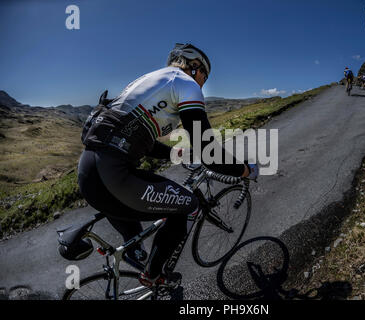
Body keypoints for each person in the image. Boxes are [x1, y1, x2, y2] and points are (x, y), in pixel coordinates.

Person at [77, 43, 259, 288]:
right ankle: (152, 277)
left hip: (90, 171)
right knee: (188, 206)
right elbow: (210, 154)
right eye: (205, 76)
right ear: (195, 68)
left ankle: (137, 255)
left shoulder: (150, 80)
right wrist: (245, 170)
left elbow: (133, 138)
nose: (203, 83)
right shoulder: (186, 84)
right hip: (113, 177)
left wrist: (175, 154)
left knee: (134, 236)